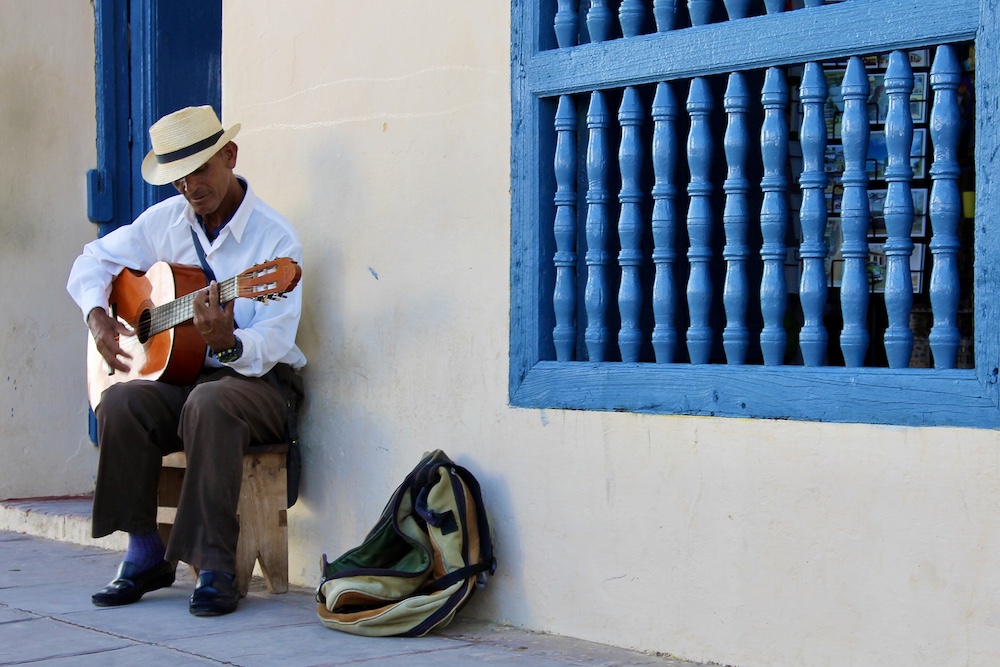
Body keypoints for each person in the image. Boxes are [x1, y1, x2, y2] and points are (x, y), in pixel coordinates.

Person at [66, 105, 305, 616]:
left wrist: (227, 343)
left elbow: (277, 342)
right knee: (122, 401)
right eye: (179, 180)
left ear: (230, 155)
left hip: (256, 382)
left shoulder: (274, 242)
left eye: (201, 171)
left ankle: (214, 563)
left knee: (211, 402)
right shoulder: (166, 222)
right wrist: (98, 318)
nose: (192, 189)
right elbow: (91, 260)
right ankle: (145, 551)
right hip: (182, 378)